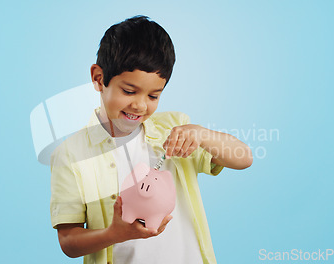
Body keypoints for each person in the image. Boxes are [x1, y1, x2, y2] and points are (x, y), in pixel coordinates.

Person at [50, 15, 252, 264]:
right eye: (129, 91)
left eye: (154, 96)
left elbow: (244, 158)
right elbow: (68, 242)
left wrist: (203, 134)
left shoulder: (176, 129)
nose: (140, 105)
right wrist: (113, 234)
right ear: (99, 79)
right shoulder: (71, 154)